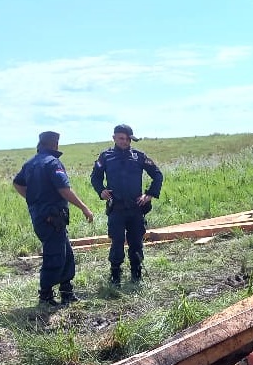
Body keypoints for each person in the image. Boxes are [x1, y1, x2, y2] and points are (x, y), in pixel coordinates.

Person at [13, 131, 94, 307]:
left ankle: (66, 292)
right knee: (55, 256)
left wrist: (33, 199)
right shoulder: (52, 162)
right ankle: (46, 296)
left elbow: (17, 183)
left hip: (43, 216)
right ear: (55, 144)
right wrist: (84, 208)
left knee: (66, 254)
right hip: (52, 218)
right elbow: (64, 189)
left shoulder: (30, 163)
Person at [89, 124, 163, 286]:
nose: (125, 142)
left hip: (136, 208)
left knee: (136, 241)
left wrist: (149, 194)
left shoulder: (139, 156)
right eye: (121, 138)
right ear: (114, 137)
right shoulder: (105, 156)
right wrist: (101, 190)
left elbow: (157, 175)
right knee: (117, 241)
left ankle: (136, 273)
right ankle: (115, 274)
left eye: (128, 139)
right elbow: (95, 177)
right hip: (116, 208)